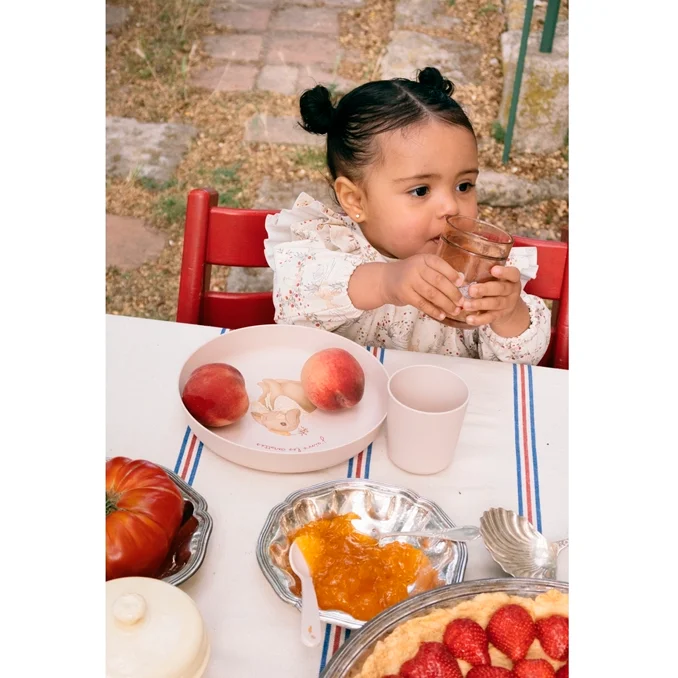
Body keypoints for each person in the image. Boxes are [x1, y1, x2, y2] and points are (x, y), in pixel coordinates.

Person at [263, 67, 550, 364]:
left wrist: (508, 311)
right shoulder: (329, 246)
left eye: (464, 185)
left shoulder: (475, 267)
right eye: (421, 191)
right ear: (355, 200)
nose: (451, 206)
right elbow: (292, 302)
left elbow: (524, 362)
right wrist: (386, 282)